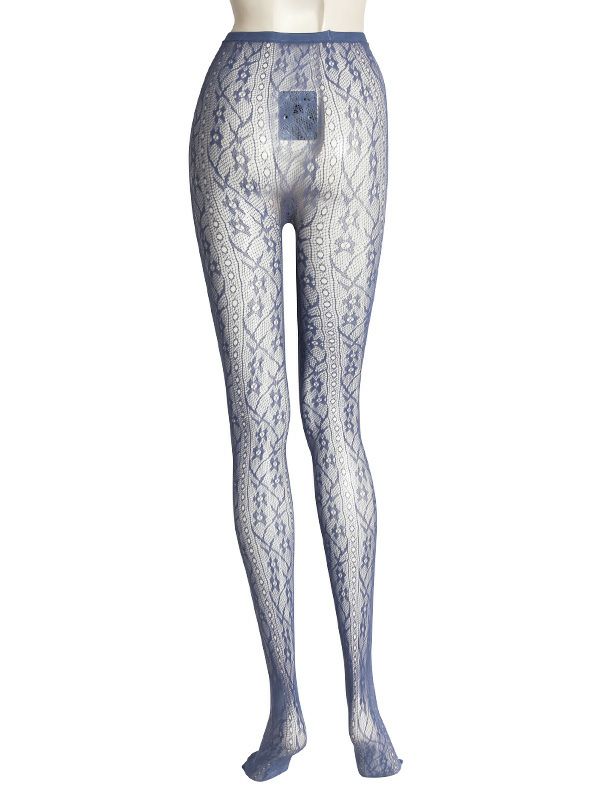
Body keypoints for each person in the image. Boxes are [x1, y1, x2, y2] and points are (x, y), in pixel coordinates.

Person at [188, 0, 402, 781]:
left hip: (244, 93)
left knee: (258, 430)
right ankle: (363, 710)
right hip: (347, 97)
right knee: (336, 418)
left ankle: (287, 710)